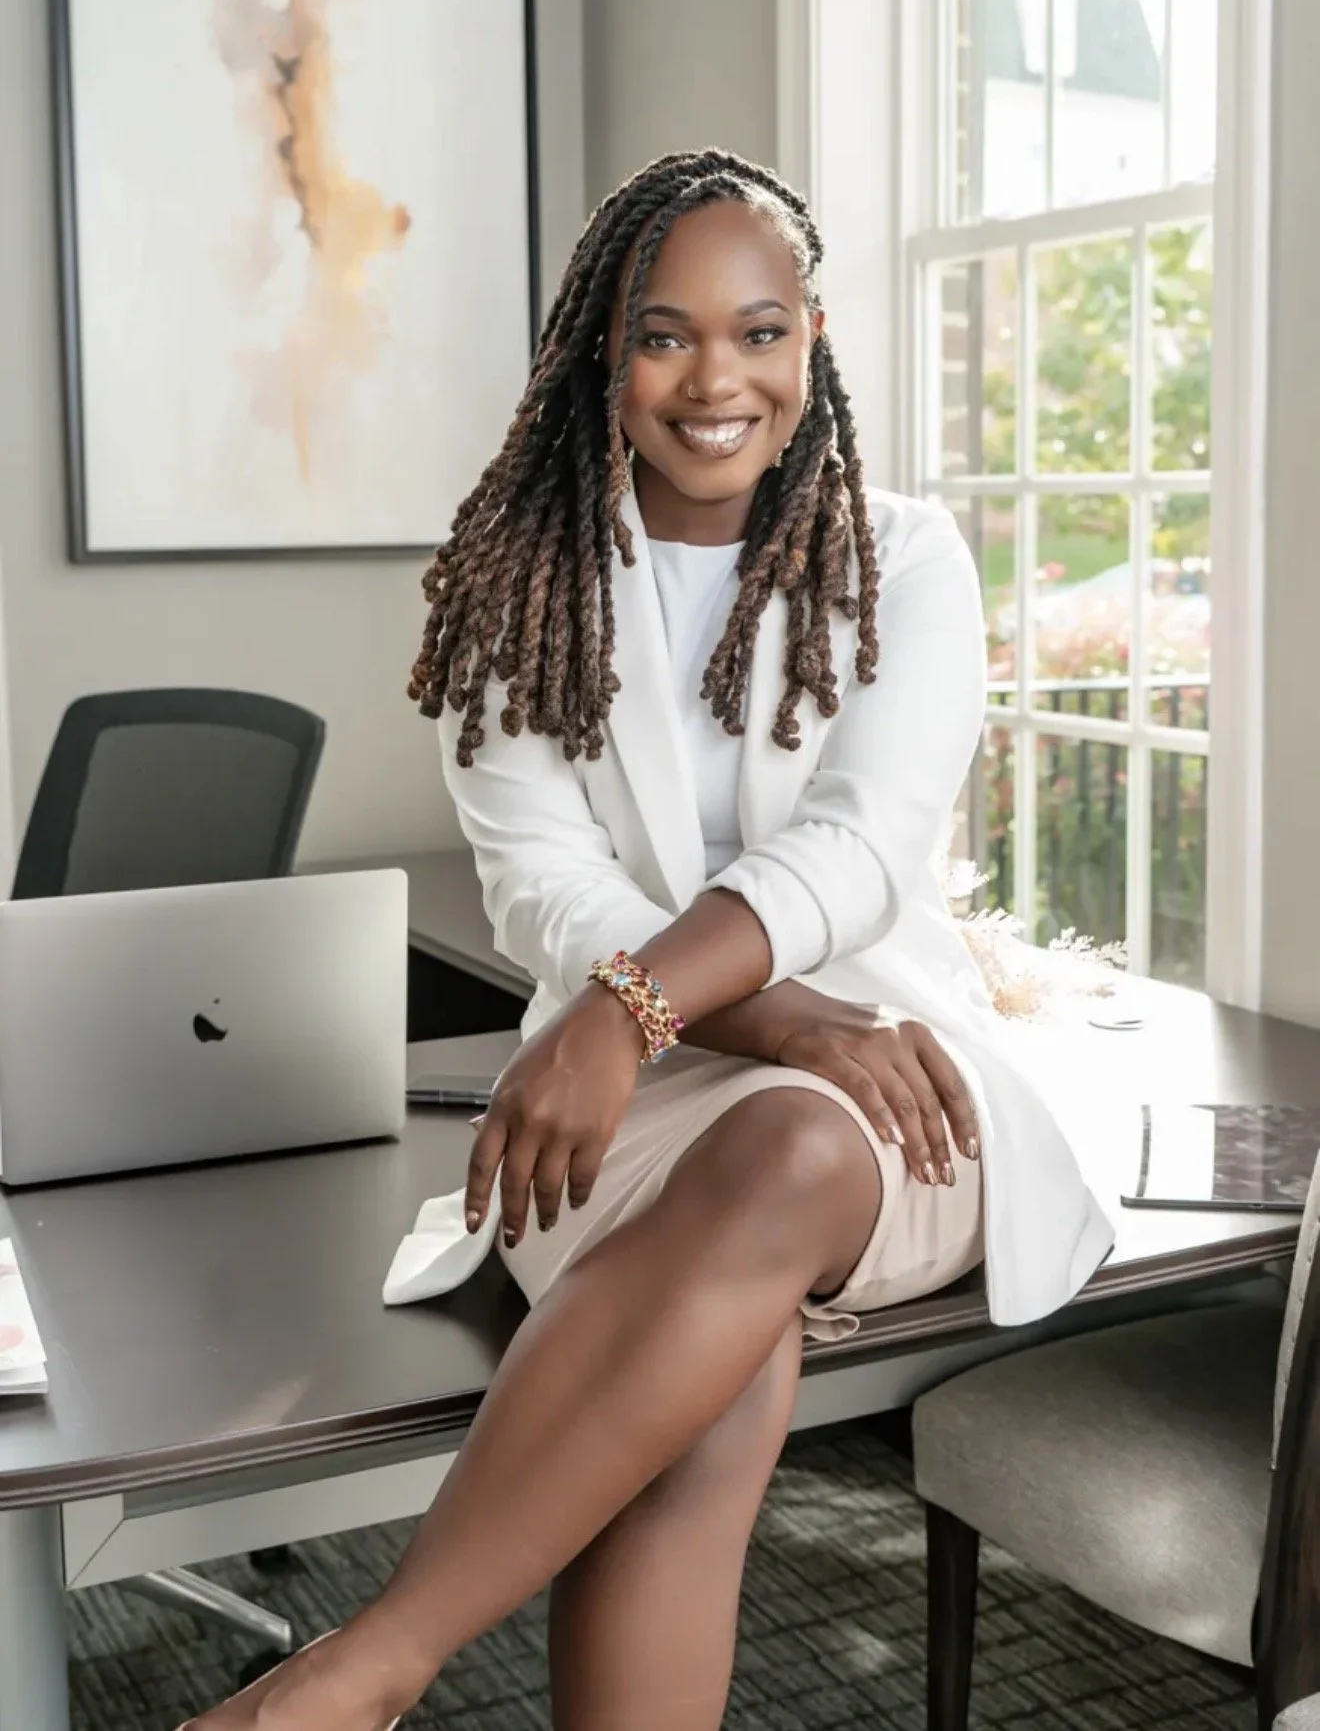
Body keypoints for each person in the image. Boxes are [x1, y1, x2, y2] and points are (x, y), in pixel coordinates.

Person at [182, 150, 1112, 1731]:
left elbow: (860, 851)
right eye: (663, 336)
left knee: (793, 1160)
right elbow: (544, 887)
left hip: (890, 1106)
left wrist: (624, 1013)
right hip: (628, 1111)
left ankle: (365, 1669)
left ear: (811, 340)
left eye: (758, 331)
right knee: (702, 1401)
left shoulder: (912, 560)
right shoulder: (516, 590)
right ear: (598, 363)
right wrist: (750, 1022)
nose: (715, 380)